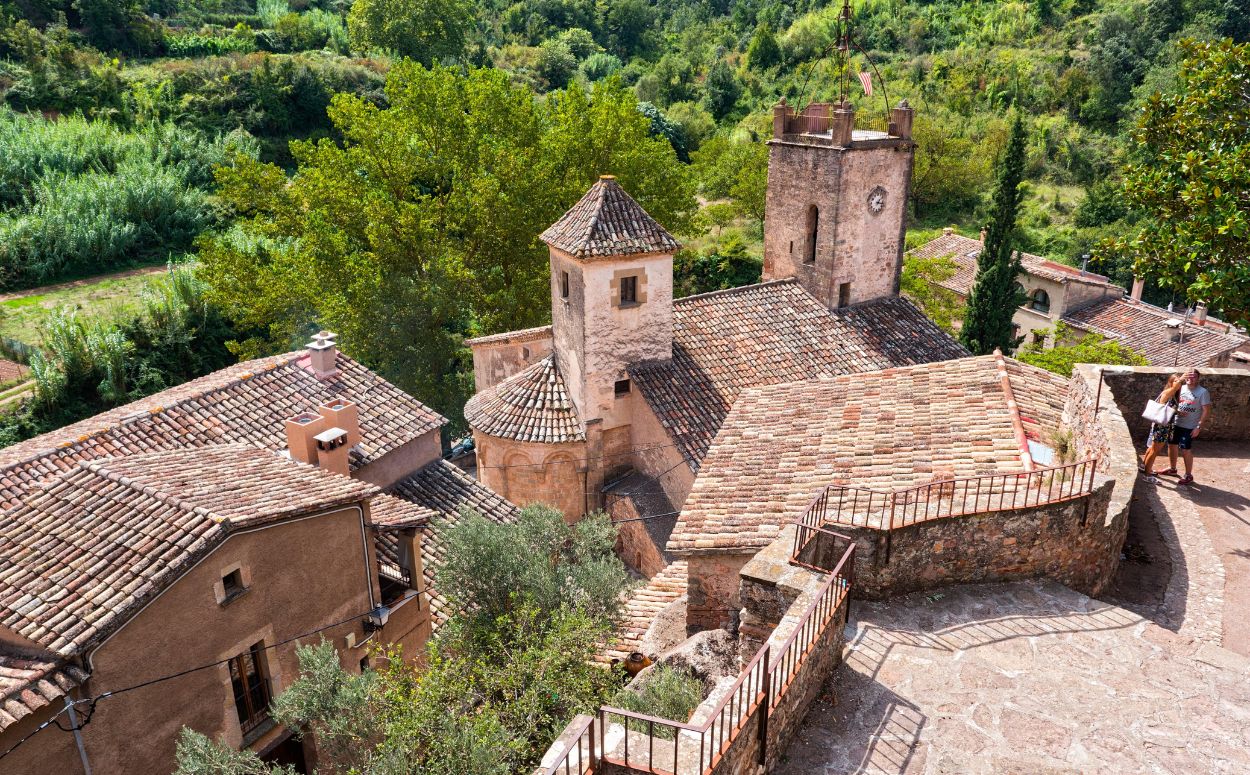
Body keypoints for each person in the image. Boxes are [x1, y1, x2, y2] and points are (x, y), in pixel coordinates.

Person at [1166, 368, 1213, 485]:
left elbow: (1206, 411)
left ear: (1198, 379)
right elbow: (1172, 402)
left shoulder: (1202, 392)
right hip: (1176, 423)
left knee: (1185, 449)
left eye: (1194, 377)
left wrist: (1198, 426)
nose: (1190, 379)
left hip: (1190, 426)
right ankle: (1172, 469)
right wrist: (1177, 412)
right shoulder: (1180, 388)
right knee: (1172, 445)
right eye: (1188, 376)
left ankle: (1188, 475)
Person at [1141, 373, 1183, 482]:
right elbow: (1163, 400)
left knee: (1152, 449)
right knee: (1155, 450)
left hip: (1166, 426)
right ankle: (1147, 475)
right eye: (1175, 381)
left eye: (1179, 382)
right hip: (1161, 426)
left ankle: (1145, 468)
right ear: (1170, 383)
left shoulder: (1175, 396)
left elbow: (1169, 409)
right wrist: (1179, 382)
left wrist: (1178, 412)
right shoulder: (1168, 393)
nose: (1179, 383)